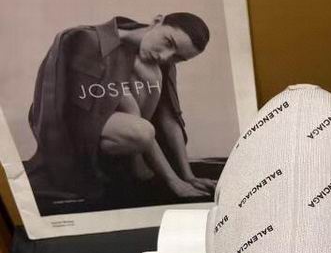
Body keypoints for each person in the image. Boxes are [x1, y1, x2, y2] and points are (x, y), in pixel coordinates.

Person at [27, 13, 215, 211]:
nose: (165, 56)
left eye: (178, 58)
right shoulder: (88, 41)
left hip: (120, 129)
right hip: (74, 131)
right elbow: (121, 111)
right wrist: (174, 181)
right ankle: (134, 163)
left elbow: (169, 116)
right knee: (143, 129)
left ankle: (135, 162)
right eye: (168, 42)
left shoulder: (160, 60)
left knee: (150, 79)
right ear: (157, 21)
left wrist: (188, 176)